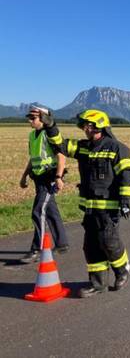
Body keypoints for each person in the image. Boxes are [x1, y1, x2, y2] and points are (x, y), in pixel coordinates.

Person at [38, 108, 130, 297]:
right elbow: (60, 145)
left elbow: (127, 174)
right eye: (84, 125)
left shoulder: (117, 148)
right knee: (91, 246)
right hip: (90, 207)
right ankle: (98, 284)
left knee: (108, 241)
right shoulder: (83, 147)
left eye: (89, 125)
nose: (85, 129)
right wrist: (50, 126)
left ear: (100, 125)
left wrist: (126, 199)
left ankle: (122, 269)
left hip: (109, 208)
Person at [19, 106, 69, 263]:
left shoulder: (50, 134)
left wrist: (58, 177)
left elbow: (61, 156)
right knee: (51, 211)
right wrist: (24, 175)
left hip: (50, 178)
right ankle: (62, 244)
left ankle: (37, 249)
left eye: (33, 118)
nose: (30, 121)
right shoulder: (32, 135)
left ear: (43, 119)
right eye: (29, 118)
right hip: (39, 179)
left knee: (38, 210)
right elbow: (33, 158)